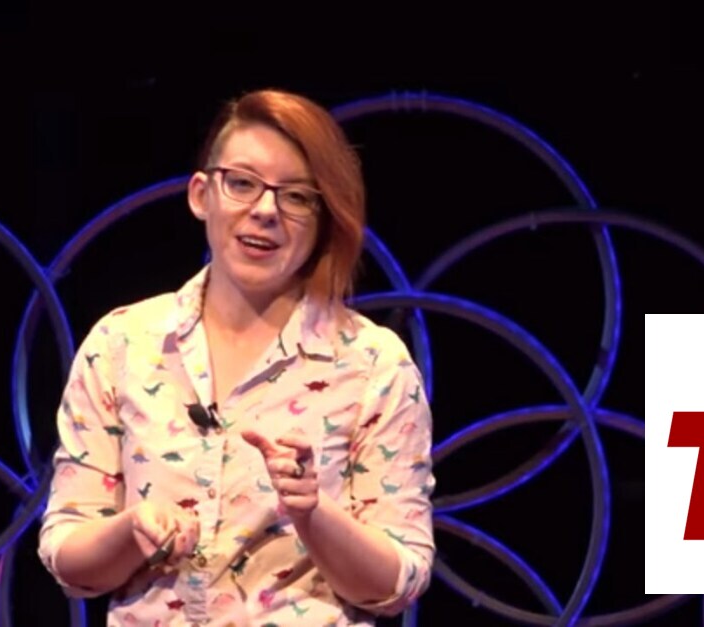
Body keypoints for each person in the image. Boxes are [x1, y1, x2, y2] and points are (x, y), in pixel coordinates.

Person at [37, 89, 436, 626]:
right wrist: (131, 530)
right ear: (202, 194)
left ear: (323, 216)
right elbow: (69, 558)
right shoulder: (122, 343)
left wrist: (312, 512)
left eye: (296, 196)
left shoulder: (373, 365)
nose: (265, 211)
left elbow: (397, 583)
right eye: (243, 184)